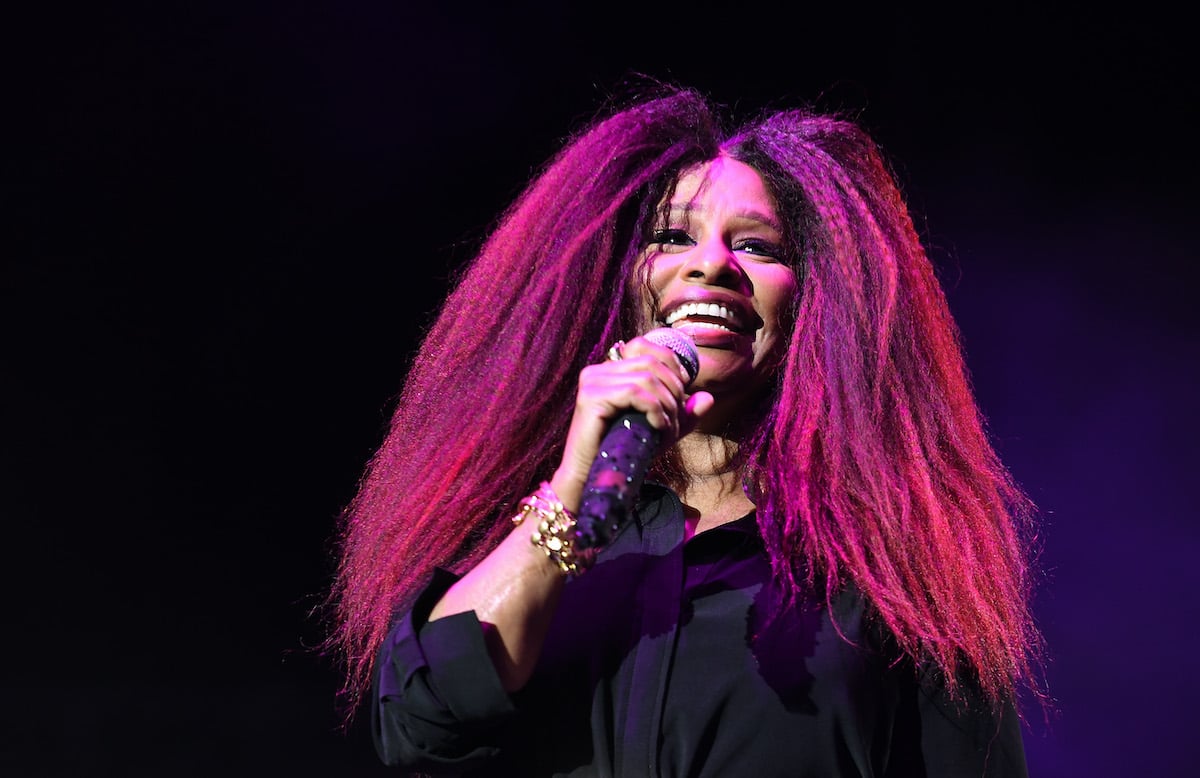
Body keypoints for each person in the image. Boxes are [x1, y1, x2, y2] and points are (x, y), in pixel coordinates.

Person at [320, 80, 1048, 777]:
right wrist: (576, 490)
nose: (711, 266)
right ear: (619, 281)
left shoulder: (890, 573)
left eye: (758, 247)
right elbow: (421, 720)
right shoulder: (520, 532)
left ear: (817, 300)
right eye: (673, 237)